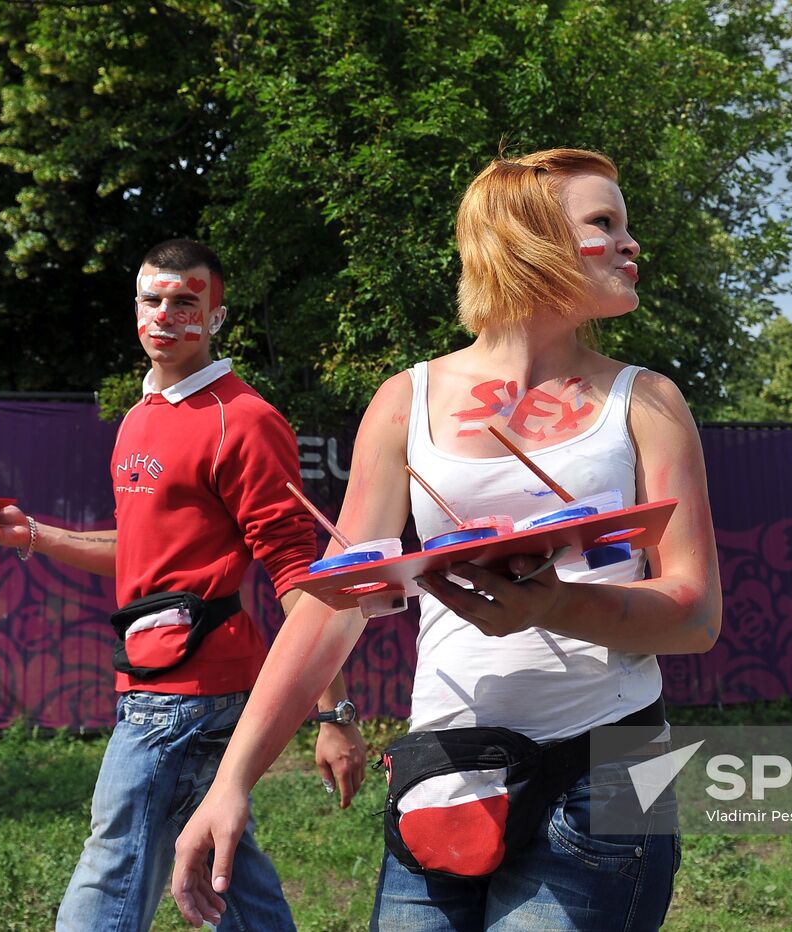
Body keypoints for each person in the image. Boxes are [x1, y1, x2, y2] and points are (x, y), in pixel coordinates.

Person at [171, 148, 722, 930]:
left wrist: (550, 606)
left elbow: (695, 615)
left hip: (612, 770)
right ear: (525, 240)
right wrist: (231, 783)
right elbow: (333, 606)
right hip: (445, 773)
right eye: (605, 223)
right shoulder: (406, 400)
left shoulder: (648, 402)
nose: (633, 244)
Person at [0, 238, 366, 931]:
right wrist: (29, 534)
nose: (167, 315)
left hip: (190, 695)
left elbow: (297, 575)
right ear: (135, 308)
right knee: (223, 864)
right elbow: (142, 555)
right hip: (152, 679)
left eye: (186, 302)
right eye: (154, 299)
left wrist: (335, 713)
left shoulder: (245, 419)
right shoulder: (143, 417)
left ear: (216, 317)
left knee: (113, 861)